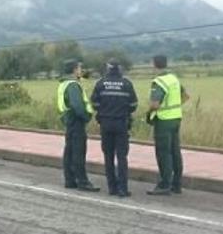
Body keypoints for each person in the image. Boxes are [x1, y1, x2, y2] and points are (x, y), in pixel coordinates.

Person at [91, 58, 138, 197]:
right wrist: (124, 111)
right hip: (121, 123)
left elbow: (94, 103)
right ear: (119, 69)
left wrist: (104, 111)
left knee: (108, 156)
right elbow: (133, 105)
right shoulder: (127, 84)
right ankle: (123, 189)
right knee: (122, 157)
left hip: (105, 124)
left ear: (108, 69)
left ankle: (112, 188)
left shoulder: (100, 84)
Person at [146, 55, 189, 195]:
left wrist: (150, 113)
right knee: (175, 151)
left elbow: (154, 104)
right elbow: (186, 96)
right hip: (176, 118)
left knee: (164, 152)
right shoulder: (174, 78)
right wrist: (174, 107)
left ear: (154, 64)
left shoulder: (159, 81)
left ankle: (164, 184)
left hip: (163, 120)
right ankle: (177, 184)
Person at [57, 59, 100, 192]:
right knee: (78, 152)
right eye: (79, 68)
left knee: (69, 151)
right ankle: (82, 181)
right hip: (76, 121)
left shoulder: (64, 83)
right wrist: (86, 116)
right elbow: (77, 105)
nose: (81, 71)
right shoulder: (73, 85)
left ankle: (70, 180)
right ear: (75, 70)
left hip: (68, 120)